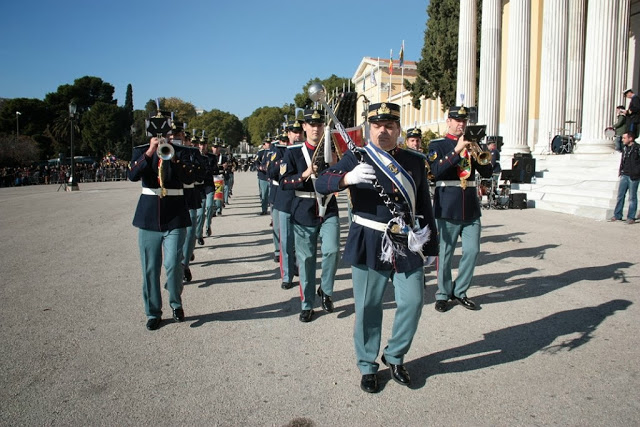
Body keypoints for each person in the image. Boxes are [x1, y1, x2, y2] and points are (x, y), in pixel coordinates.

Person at [315, 102, 438, 393]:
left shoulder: (414, 160)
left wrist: (432, 244)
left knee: (413, 301)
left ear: (398, 129)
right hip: (369, 239)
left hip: (405, 240)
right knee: (369, 306)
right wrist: (347, 178)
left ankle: (394, 355)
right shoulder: (356, 157)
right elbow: (321, 183)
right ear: (370, 128)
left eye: (390, 126)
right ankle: (368, 365)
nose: (383, 131)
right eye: (377, 126)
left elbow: (424, 204)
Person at [128, 116, 196, 331]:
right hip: (148, 217)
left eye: (167, 134)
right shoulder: (140, 151)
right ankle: (153, 312)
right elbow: (132, 174)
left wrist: (173, 158)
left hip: (175, 215)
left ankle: (176, 302)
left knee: (174, 264)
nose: (163, 137)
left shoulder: (183, 152)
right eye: (158, 134)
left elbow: (188, 178)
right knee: (150, 268)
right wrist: (150, 152)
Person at [427, 105, 493, 313]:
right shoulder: (438, 145)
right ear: (448, 121)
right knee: (445, 254)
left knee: (472, 251)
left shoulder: (473, 144)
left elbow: (487, 170)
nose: (460, 124)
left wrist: (479, 152)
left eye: (464, 121)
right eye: (456, 120)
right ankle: (443, 294)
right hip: (448, 205)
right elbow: (436, 171)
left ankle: (460, 291)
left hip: (470, 206)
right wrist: (457, 149)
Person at [281, 108, 340, 323]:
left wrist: (336, 166)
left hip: (328, 207)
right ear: (304, 127)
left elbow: (342, 179)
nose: (316, 128)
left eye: (319, 124)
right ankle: (306, 305)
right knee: (306, 261)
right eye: (311, 124)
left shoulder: (330, 150)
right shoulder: (293, 152)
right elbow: (285, 182)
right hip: (304, 210)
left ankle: (325, 290)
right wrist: (306, 173)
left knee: (333, 250)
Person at [268, 120, 304, 289]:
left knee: (302, 241)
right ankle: (287, 275)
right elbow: (272, 172)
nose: (297, 135)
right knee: (286, 241)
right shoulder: (280, 151)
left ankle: (299, 268)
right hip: (285, 200)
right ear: (288, 134)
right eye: (294, 132)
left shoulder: (307, 150)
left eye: (299, 132)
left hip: (304, 201)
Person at [610, 132, 640, 224]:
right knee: (620, 196)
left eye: (624, 138)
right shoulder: (624, 148)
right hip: (624, 174)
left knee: (632, 197)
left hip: (633, 176)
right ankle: (617, 215)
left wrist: (637, 171)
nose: (622, 140)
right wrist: (621, 171)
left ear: (630, 138)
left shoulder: (637, 148)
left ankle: (631, 217)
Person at [256, 138, 272, 215]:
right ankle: (264, 209)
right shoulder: (261, 153)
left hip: (271, 176)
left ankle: (272, 210)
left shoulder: (274, 151)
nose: (269, 144)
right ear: (264, 145)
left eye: (270, 142)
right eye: (267, 143)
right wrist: (260, 167)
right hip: (263, 176)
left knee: (272, 194)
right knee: (264, 193)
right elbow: (256, 162)